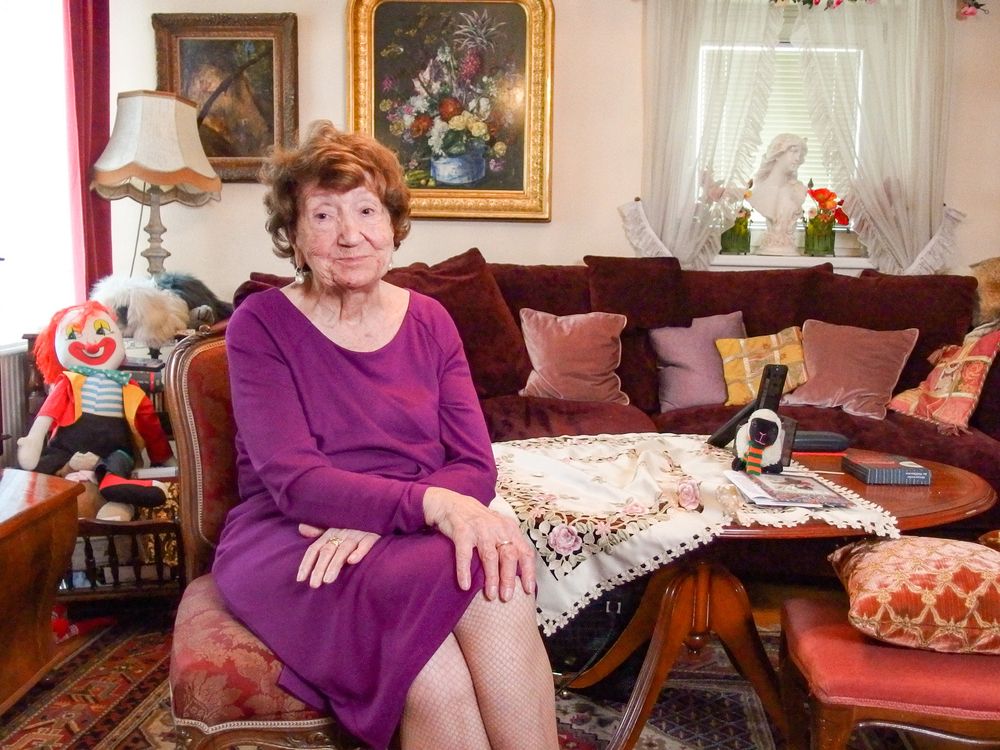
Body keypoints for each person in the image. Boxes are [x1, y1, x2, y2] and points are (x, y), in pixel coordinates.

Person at [212, 120, 559, 750]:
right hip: (293, 536)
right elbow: (296, 481)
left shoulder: (431, 319)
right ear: (293, 235)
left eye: (367, 211)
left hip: (398, 529)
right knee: (441, 662)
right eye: (324, 215)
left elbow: (474, 464)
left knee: (492, 577)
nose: (350, 235)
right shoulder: (260, 324)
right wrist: (428, 506)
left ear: (393, 225)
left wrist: (387, 519)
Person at [748, 133, 808, 255]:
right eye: (793, 151)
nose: (798, 158)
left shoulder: (798, 190)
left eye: (800, 154)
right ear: (777, 154)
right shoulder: (758, 192)